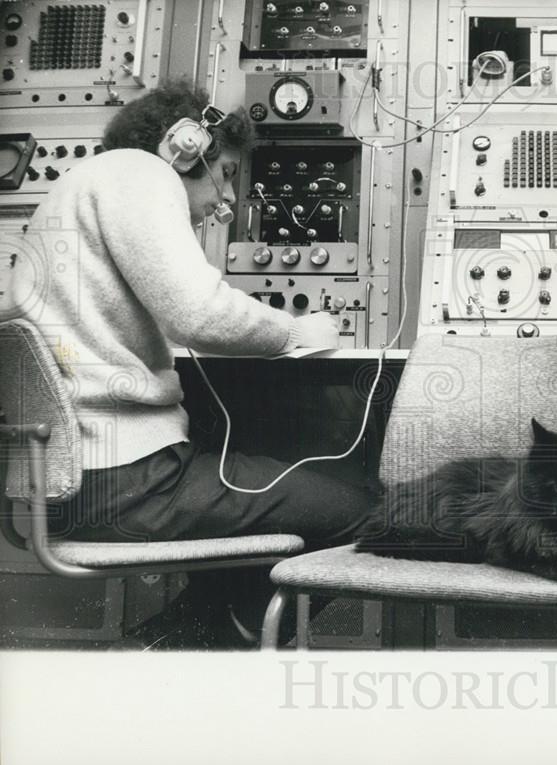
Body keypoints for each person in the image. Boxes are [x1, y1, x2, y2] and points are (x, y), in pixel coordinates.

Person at [7, 80, 371, 646]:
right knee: (356, 510)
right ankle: (207, 647)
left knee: (268, 488)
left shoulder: (76, 187)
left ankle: (168, 645)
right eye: (225, 172)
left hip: (57, 483)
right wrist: (296, 329)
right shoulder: (138, 173)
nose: (224, 201)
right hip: (125, 483)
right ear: (184, 145)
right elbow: (197, 313)